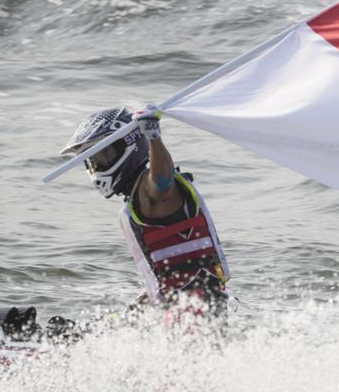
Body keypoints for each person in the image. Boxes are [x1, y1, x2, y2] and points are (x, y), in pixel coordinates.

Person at [59, 106, 231, 322]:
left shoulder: (149, 190)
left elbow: (162, 181)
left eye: (104, 155)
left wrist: (153, 137)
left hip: (192, 307)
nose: (97, 166)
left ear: (128, 145)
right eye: (92, 161)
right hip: (191, 304)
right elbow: (167, 271)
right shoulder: (137, 198)